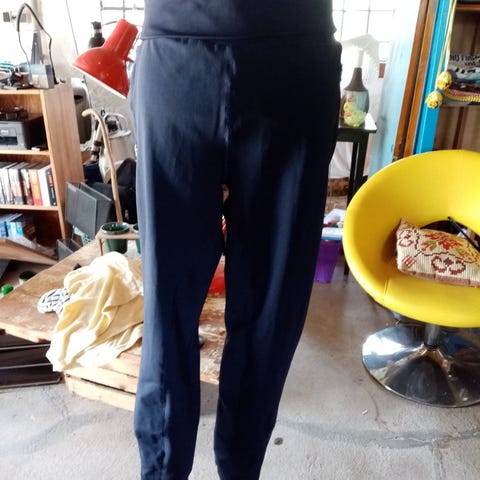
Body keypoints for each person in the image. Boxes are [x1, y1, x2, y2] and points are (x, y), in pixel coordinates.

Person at [129, 1, 342, 478]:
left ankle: (234, 470)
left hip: (288, 55)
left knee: (265, 310)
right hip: (194, 48)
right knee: (178, 306)